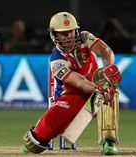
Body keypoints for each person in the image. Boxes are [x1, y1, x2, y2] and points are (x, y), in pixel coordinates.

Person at [22, 12, 121, 155]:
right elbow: (80, 83)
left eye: (70, 32)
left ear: (76, 30)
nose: (68, 36)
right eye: (63, 33)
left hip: (93, 89)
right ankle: (36, 137)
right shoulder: (57, 62)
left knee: (110, 95)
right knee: (36, 143)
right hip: (70, 98)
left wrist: (108, 69)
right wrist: (100, 88)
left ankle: (109, 142)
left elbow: (106, 51)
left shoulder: (85, 37)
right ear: (55, 35)